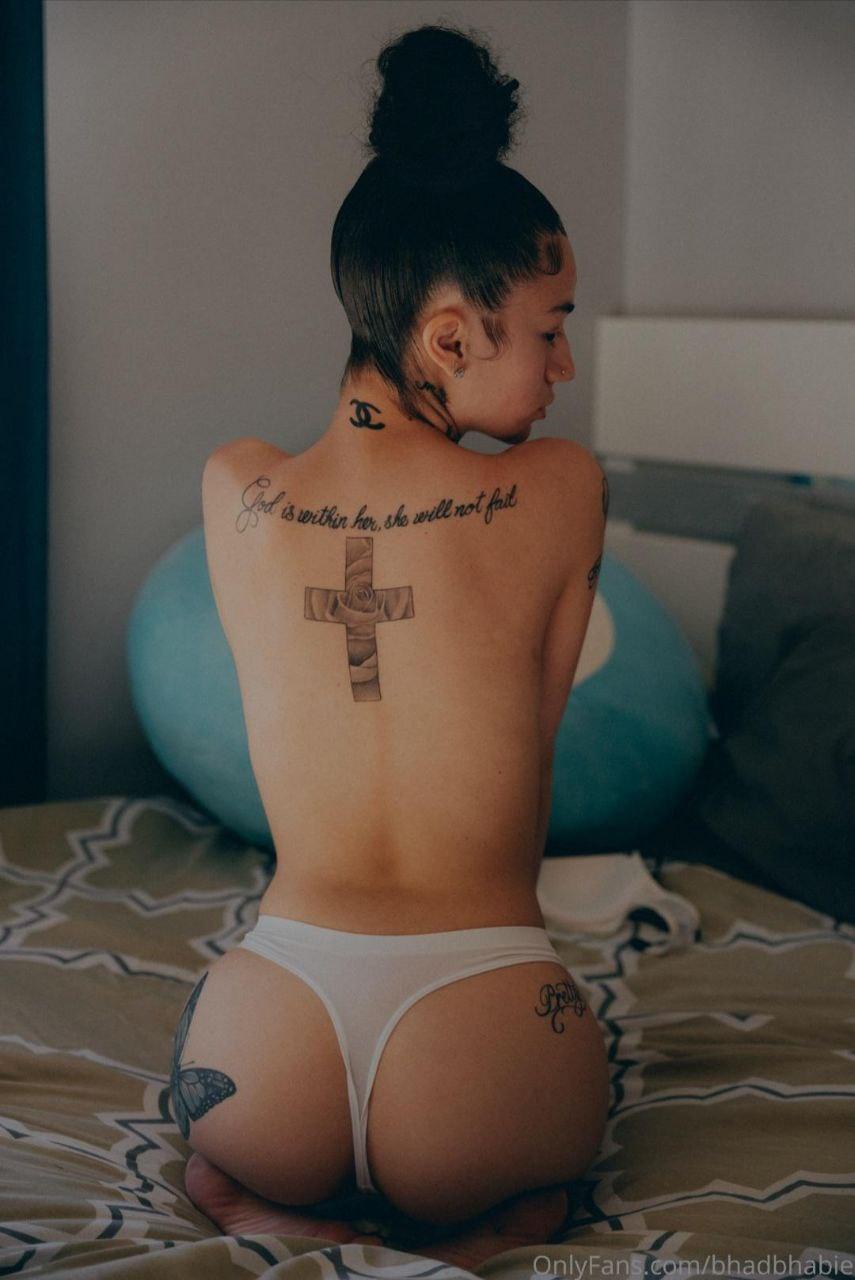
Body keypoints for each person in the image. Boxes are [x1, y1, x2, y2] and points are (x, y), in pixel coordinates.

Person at [171, 20, 610, 1269]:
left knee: (214, 1140)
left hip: (262, 1046)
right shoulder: (560, 488)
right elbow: (534, 725)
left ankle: (255, 1196)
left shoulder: (236, 489)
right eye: (551, 326)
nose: (566, 365)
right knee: (547, 1156)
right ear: (452, 337)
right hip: (481, 1047)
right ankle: (485, 1228)